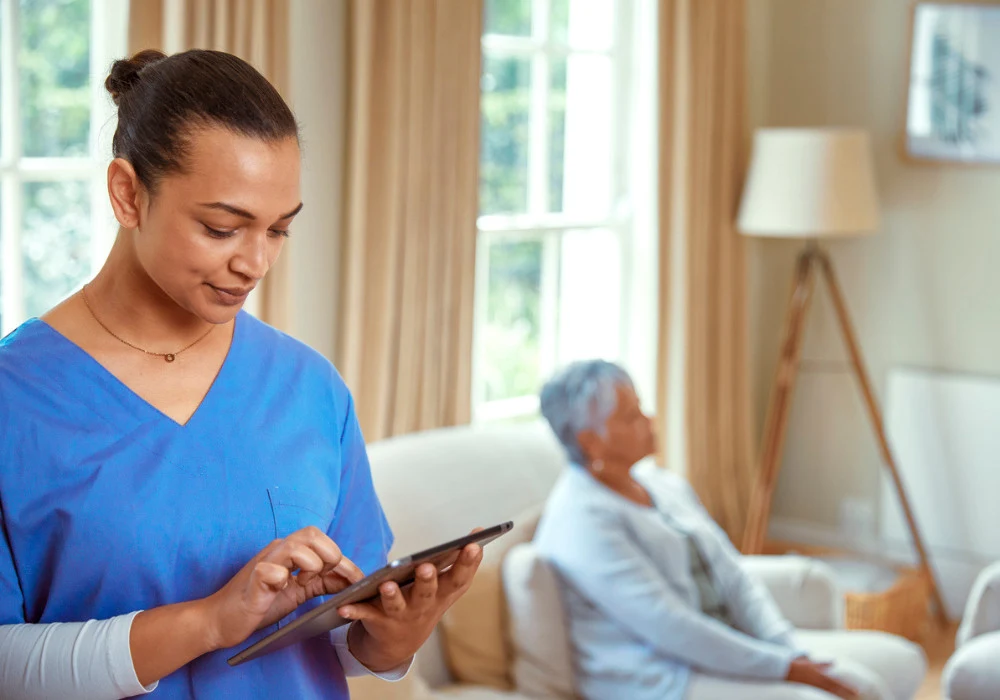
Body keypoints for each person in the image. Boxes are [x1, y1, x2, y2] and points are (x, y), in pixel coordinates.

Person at [0, 49, 483, 699]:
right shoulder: (16, 399)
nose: (254, 262)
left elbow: (338, 639)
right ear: (127, 193)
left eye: (278, 230)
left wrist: (389, 639)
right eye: (222, 227)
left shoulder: (309, 389)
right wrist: (208, 621)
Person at [533, 360, 916, 700]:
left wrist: (787, 650)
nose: (650, 421)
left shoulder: (661, 485)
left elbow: (733, 575)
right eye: (631, 417)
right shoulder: (581, 519)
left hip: (728, 653)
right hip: (661, 680)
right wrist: (783, 668)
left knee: (880, 678)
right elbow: (670, 626)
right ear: (589, 440)